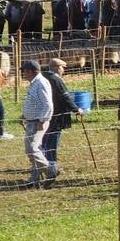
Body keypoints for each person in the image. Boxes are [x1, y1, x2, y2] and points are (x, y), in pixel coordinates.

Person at [42, 58, 83, 186]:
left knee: (45, 141)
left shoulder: (44, 77)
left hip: (45, 115)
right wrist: (76, 109)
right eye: (62, 68)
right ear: (57, 67)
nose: (63, 70)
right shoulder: (56, 80)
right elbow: (65, 96)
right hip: (57, 115)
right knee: (52, 142)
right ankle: (51, 168)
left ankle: (44, 165)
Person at [21, 60, 53, 188]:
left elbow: (48, 104)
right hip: (32, 121)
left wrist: (42, 120)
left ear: (29, 71)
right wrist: (25, 115)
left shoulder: (41, 83)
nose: (23, 74)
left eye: (24, 71)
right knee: (33, 149)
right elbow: (37, 102)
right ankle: (34, 179)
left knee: (32, 149)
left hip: (38, 122)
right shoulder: (35, 83)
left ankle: (51, 170)